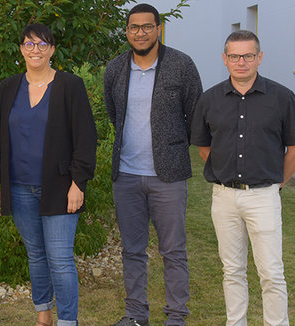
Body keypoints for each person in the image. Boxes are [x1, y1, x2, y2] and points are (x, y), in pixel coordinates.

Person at [191, 30, 295, 326]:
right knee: (232, 270)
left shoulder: (282, 97)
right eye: (234, 56)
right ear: (225, 59)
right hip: (224, 197)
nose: (241, 62)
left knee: (271, 272)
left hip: (264, 197)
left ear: (259, 57)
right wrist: (224, 172)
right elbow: (204, 147)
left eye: (248, 56)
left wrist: (276, 183)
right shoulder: (209, 99)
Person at [0, 23, 97, 326]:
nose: (36, 50)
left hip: (60, 187)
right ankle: (44, 314)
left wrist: (78, 183)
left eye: (42, 44)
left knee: (60, 260)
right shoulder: (9, 87)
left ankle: (67, 321)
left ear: (52, 50)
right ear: (21, 49)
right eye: (29, 44)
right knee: (36, 256)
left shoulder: (69, 86)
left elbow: (86, 139)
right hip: (18, 187)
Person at [103, 3, 203, 326]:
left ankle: (176, 317)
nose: (140, 33)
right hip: (127, 176)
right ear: (127, 31)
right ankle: (135, 315)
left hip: (169, 176)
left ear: (158, 29)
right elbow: (114, 114)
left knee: (173, 251)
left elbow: (196, 116)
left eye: (147, 27)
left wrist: (172, 147)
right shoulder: (115, 69)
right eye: (134, 27)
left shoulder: (181, 65)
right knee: (132, 251)